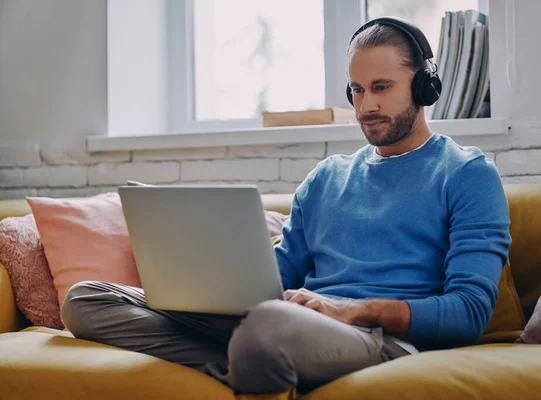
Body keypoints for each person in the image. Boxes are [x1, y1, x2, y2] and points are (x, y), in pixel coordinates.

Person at [60, 17, 511, 395]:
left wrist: (357, 310)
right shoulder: (326, 177)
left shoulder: (467, 174)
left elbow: (469, 312)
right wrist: (210, 280)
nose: (366, 105)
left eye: (381, 87)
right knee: (86, 300)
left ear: (424, 86)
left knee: (268, 327)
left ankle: (252, 356)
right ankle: (246, 363)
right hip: (291, 324)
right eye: (356, 90)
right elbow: (277, 279)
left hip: (381, 339)